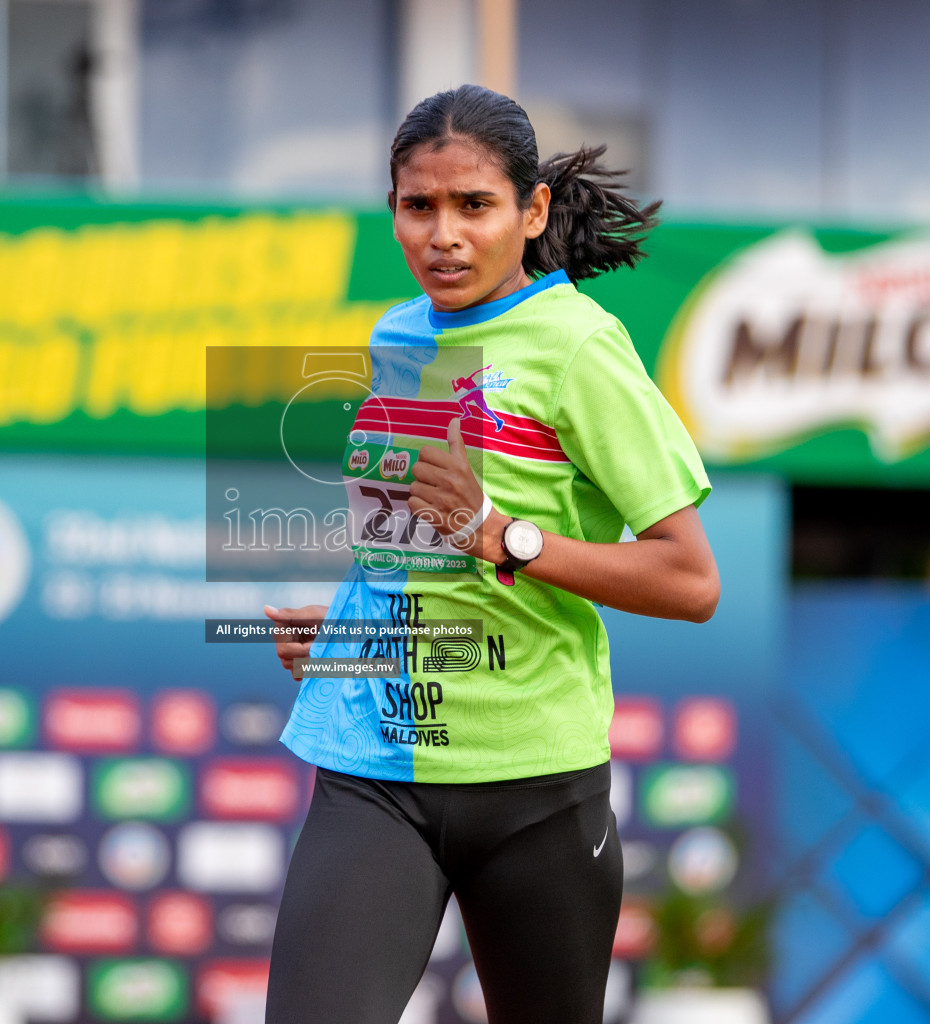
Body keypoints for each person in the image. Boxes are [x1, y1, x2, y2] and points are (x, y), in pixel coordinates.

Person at [262, 84, 718, 1024]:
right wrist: (348, 630)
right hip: (374, 766)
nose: (444, 235)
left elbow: (690, 578)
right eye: (417, 206)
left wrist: (503, 537)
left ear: (532, 210)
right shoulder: (396, 335)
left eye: (474, 205)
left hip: (533, 786)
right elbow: (412, 543)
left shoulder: (581, 349)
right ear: (391, 209)